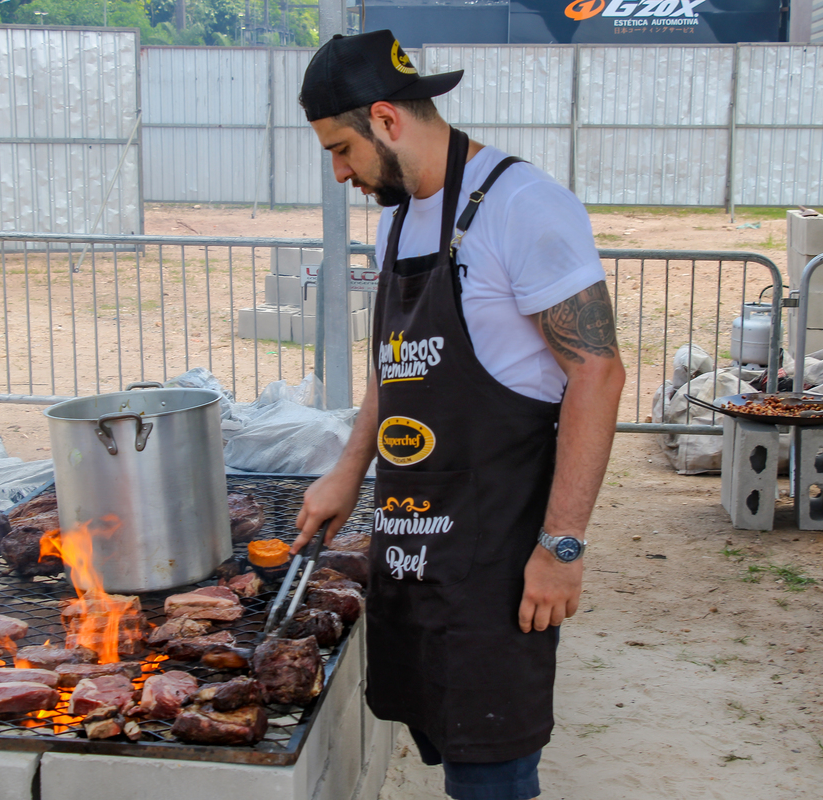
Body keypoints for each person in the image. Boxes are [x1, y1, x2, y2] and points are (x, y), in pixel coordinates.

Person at [292, 29, 625, 800]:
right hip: (414, 544)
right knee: (446, 741)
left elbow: (599, 373)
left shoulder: (522, 205)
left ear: (385, 119)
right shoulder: (400, 219)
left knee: (492, 773)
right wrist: (347, 472)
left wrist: (563, 546)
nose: (339, 172)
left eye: (341, 149)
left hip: (496, 556)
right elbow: (396, 366)